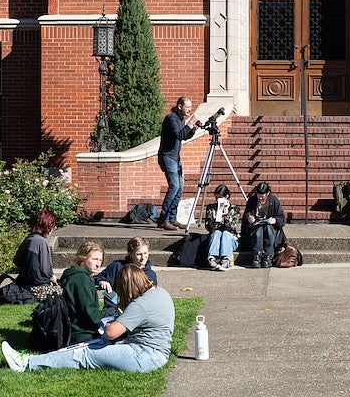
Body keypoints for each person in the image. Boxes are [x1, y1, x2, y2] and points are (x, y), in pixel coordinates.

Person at [2, 264, 175, 373]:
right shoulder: (160, 292)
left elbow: (110, 333)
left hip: (145, 355)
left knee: (85, 354)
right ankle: (32, 360)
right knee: (89, 345)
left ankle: (26, 364)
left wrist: (115, 320)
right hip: (156, 352)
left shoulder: (140, 305)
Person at [157, 96, 200, 231]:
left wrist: (193, 129)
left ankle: (172, 218)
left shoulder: (180, 119)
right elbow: (179, 135)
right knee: (174, 187)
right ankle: (163, 220)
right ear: (180, 106)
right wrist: (190, 123)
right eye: (187, 107)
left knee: (180, 188)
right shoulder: (171, 118)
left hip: (175, 158)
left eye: (190, 107)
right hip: (167, 157)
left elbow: (185, 136)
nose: (189, 110)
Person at [59, 240, 109, 344]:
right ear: (83, 258)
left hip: (73, 330)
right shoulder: (81, 280)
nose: (98, 264)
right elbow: (92, 316)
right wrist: (114, 313)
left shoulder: (74, 275)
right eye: (95, 259)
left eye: (100, 260)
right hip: (81, 333)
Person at [95, 236, 157, 309]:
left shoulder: (151, 274)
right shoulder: (117, 267)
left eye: (145, 253)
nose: (143, 257)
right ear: (130, 254)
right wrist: (101, 282)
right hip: (114, 309)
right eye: (139, 254)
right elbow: (95, 279)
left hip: (137, 312)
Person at [12, 208, 61, 300]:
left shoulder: (28, 239)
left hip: (24, 282)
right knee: (61, 291)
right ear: (48, 226)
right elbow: (46, 270)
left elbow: (17, 261)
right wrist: (53, 277)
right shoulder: (42, 242)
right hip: (38, 284)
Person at [243, 182, 286, 269]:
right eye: (258, 196)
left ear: (268, 193)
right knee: (258, 230)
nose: (260, 198)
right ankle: (257, 255)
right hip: (256, 227)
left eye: (262, 196)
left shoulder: (274, 200)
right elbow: (246, 215)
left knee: (268, 229)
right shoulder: (252, 200)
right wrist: (249, 218)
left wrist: (275, 220)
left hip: (270, 227)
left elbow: (282, 219)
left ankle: (268, 255)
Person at [205, 184, 241, 271]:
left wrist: (226, 214)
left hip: (230, 238)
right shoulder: (211, 208)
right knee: (217, 232)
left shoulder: (234, 209)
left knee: (225, 233)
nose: (218, 200)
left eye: (220, 198)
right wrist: (218, 215)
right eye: (216, 198)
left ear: (226, 197)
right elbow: (209, 227)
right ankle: (212, 258)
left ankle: (226, 260)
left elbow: (232, 227)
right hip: (215, 238)